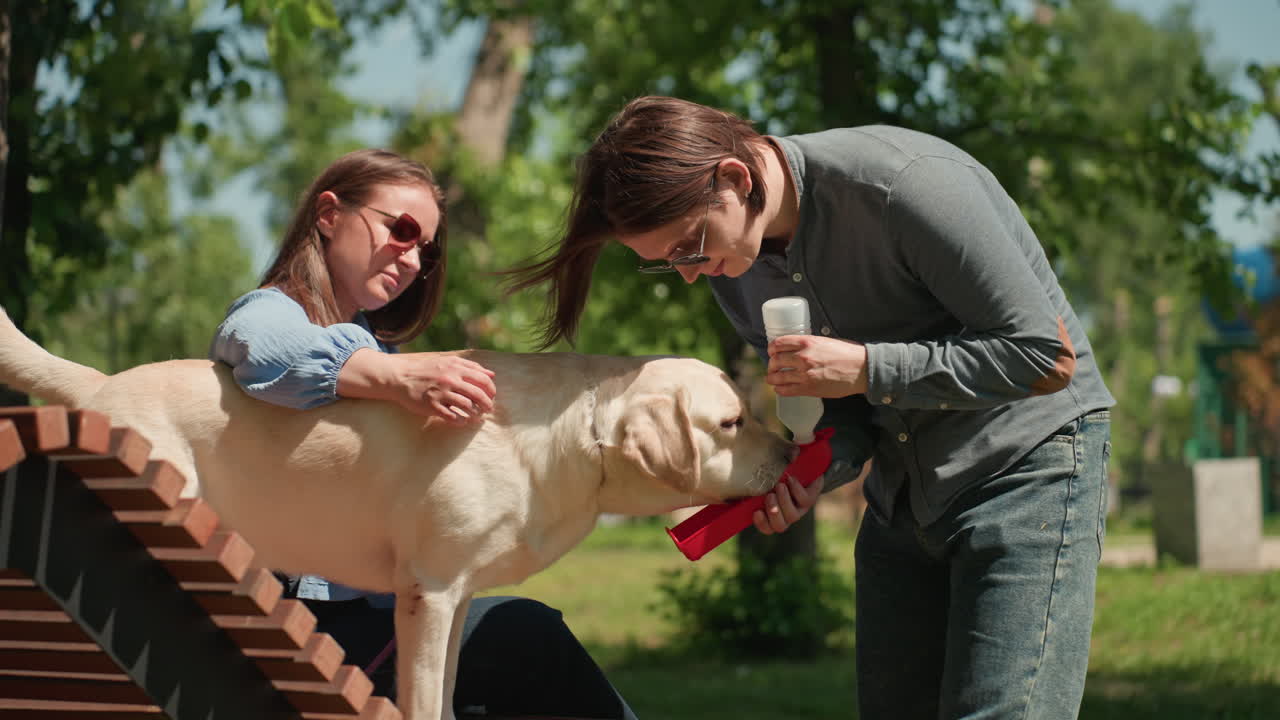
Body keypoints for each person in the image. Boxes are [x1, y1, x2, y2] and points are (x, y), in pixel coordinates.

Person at [507, 97, 1114, 719]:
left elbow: (1044, 357)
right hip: (902, 496)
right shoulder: (733, 264)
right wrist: (812, 472)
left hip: (1027, 470)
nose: (690, 276)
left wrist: (868, 367)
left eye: (689, 248)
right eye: (666, 264)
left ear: (735, 179)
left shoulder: (906, 185)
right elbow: (848, 414)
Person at [210, 148, 638, 719]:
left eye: (427, 251)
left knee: (508, 662)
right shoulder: (278, 313)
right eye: (402, 230)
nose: (412, 259)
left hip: (379, 619)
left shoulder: (379, 350)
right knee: (527, 636)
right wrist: (396, 377)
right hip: (303, 628)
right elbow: (257, 344)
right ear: (329, 215)